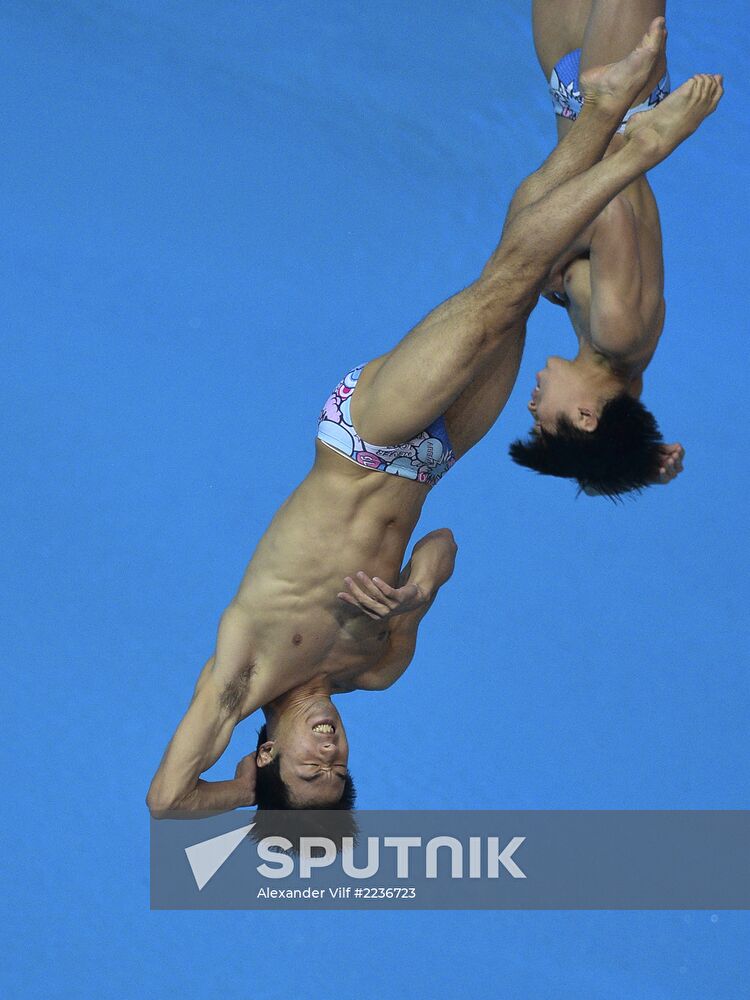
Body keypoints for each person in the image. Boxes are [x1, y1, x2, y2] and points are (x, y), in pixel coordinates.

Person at [147, 19, 722, 817]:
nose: (331, 754)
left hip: (365, 441)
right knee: (516, 281)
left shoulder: (241, 677)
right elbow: (444, 546)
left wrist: (242, 792)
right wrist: (417, 591)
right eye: (341, 772)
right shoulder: (375, 668)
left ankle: (632, 143)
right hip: (434, 459)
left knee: (500, 293)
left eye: (311, 772)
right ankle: (597, 114)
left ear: (270, 756)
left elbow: (165, 804)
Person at [510, 0, 709, 496]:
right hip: (619, 101)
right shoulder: (616, 334)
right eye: (540, 423)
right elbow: (609, 213)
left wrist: (636, 464)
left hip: (579, 103)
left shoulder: (620, 366)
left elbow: (616, 418)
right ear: (584, 416)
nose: (532, 407)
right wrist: (546, 266)